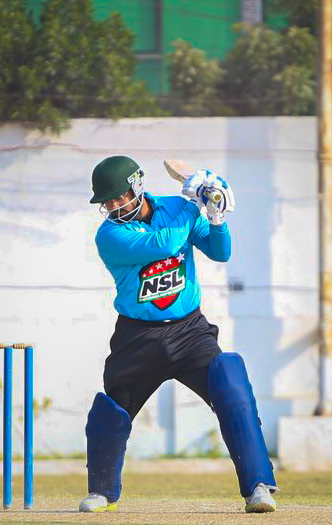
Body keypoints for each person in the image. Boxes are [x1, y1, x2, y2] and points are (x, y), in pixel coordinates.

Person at [80, 155, 278, 514]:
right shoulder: (109, 235)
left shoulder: (173, 207)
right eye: (106, 202)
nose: (113, 206)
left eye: (118, 197)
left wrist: (216, 218)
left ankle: (258, 487)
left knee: (232, 386)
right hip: (137, 337)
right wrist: (196, 202)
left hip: (190, 331)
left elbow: (220, 252)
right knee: (110, 413)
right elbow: (166, 245)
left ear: (137, 187)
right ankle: (102, 493)